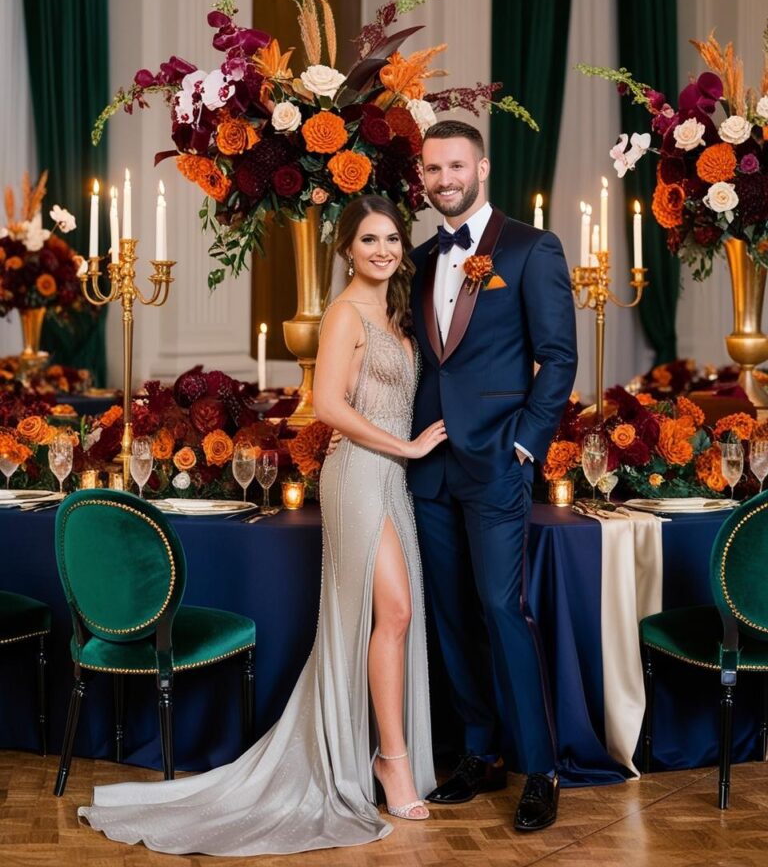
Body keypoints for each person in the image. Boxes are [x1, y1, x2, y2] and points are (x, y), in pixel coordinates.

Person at [77, 195, 444, 856]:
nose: (384, 250)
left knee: (392, 616)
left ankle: (388, 753)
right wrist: (409, 448)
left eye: (392, 238)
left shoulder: (393, 312)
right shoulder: (343, 313)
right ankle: (390, 759)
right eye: (369, 240)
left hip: (388, 476)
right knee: (392, 610)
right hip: (360, 472)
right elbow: (327, 404)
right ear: (347, 250)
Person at [408, 119, 577, 832]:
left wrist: (525, 447)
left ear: (481, 166)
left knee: (503, 609)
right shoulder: (415, 258)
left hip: (498, 462)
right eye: (432, 169)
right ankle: (480, 753)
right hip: (428, 466)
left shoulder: (531, 247)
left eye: (455, 165)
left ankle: (540, 768)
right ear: (421, 178)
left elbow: (559, 357)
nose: (444, 179)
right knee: (448, 615)